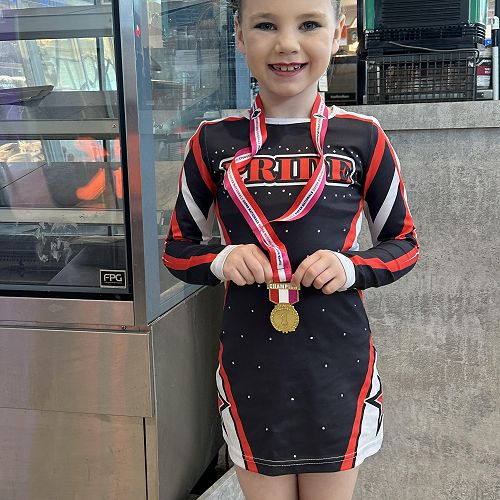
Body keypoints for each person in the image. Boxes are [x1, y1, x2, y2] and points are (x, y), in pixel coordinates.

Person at [163, 0, 419, 498]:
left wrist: (351, 267)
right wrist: (221, 258)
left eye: (308, 25)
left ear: (338, 33)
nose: (286, 43)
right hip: (251, 365)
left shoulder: (363, 137)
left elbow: (404, 244)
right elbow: (177, 249)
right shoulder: (212, 142)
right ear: (240, 35)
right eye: (265, 25)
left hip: (338, 367)